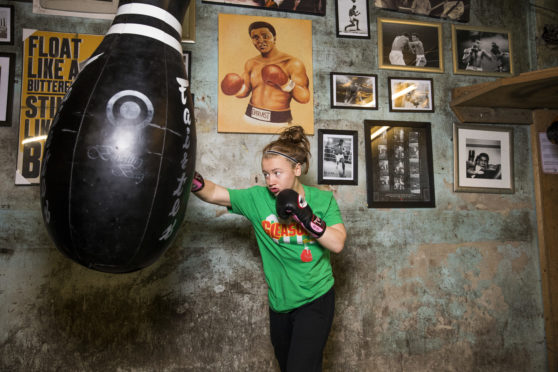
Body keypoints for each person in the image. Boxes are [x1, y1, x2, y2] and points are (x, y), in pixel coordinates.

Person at [191, 125, 347, 371]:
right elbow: (214, 194)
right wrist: (188, 176)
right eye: (266, 174)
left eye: (277, 173)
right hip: (280, 303)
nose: (271, 181)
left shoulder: (322, 200)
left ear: (297, 169)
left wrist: (306, 217)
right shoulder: (257, 199)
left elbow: (337, 243)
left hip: (316, 298)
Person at [220, 22, 310, 125]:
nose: (261, 41)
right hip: (250, 117)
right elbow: (244, 92)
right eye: (256, 37)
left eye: (265, 36)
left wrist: (285, 82)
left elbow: (304, 97)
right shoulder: (251, 63)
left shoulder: (292, 63)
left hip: (279, 121)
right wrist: (234, 88)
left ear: (274, 38)